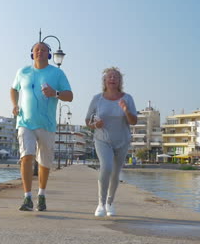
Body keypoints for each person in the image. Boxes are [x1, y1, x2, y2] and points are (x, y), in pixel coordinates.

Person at [10, 41, 73, 211]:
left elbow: (70, 96)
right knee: (26, 156)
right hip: (25, 122)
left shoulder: (57, 73)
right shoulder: (22, 72)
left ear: (49, 54)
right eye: (36, 50)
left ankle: (42, 194)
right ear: (32, 53)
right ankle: (27, 198)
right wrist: (15, 105)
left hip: (47, 124)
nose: (40, 52)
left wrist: (55, 93)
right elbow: (13, 89)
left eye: (43, 50)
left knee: (44, 162)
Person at [85, 67, 137, 217]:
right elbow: (88, 120)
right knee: (106, 167)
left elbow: (133, 121)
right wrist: (95, 125)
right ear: (105, 81)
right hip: (103, 139)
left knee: (115, 173)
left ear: (120, 81)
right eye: (110, 76)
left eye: (115, 77)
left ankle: (110, 202)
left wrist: (126, 110)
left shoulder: (127, 98)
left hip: (122, 140)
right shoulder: (97, 98)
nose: (112, 79)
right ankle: (101, 203)